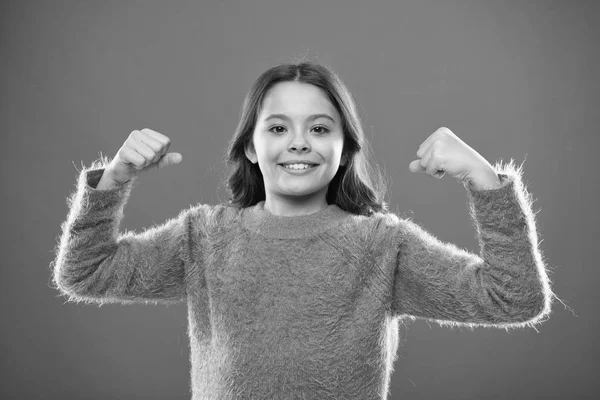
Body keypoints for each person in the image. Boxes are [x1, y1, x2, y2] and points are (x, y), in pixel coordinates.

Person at [50, 61, 555, 400]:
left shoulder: (381, 245)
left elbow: (514, 299)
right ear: (250, 147)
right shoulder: (204, 237)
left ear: (344, 150)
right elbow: (85, 273)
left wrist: (485, 180)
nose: (298, 143)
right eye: (277, 128)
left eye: (319, 128)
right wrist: (112, 182)